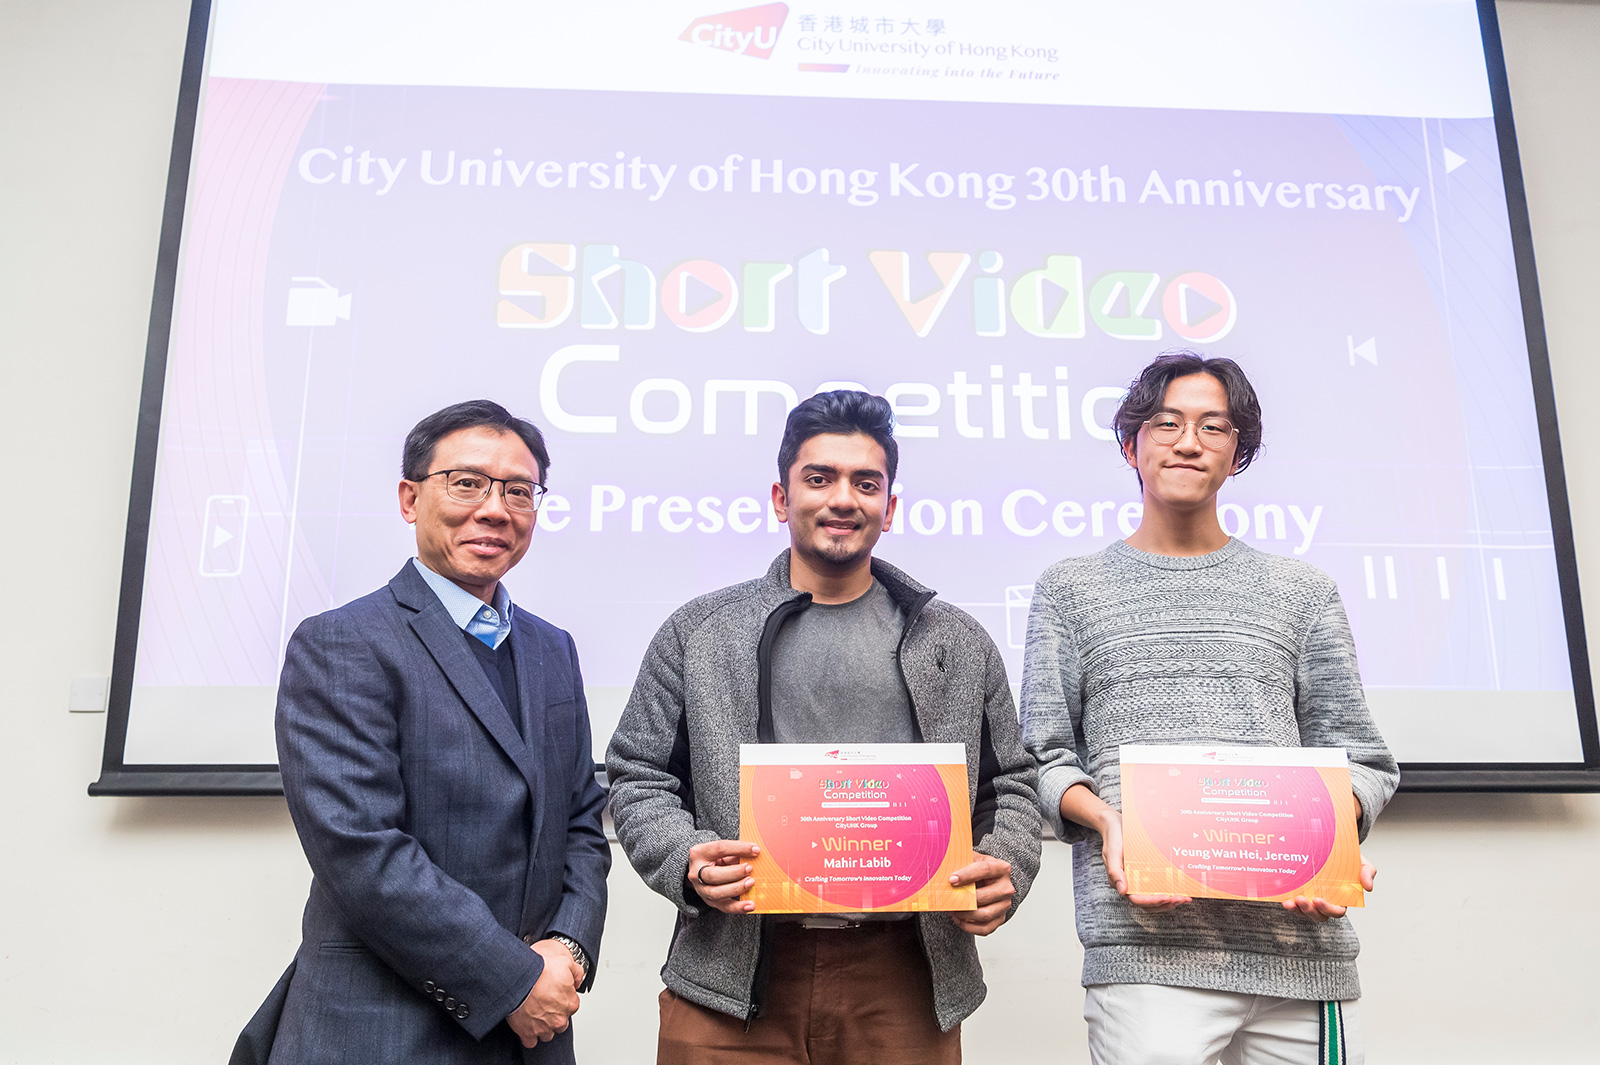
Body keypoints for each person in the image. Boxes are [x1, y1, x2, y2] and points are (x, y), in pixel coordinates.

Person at [605, 390, 1041, 1065]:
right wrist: (685, 858)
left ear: (889, 507)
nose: (843, 499)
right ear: (782, 499)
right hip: (730, 976)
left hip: (903, 975)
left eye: (866, 483)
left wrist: (1004, 864)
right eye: (819, 478)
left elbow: (1010, 782)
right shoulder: (700, 633)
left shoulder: (956, 641)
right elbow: (638, 774)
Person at [1020, 351, 1399, 1065]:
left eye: (1213, 426)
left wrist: (1331, 838)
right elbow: (1042, 755)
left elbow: (1364, 760)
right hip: (1145, 950)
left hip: (1297, 948)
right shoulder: (1071, 589)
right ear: (1131, 445)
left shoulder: (1302, 592)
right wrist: (1109, 821)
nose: (1188, 442)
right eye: (1166, 423)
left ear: (1237, 453)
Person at [232, 400, 610, 1065]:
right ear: (410, 499)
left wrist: (568, 948)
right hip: (382, 1030)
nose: (495, 509)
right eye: (467, 483)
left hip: (533, 1036)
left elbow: (580, 819)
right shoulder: (341, 643)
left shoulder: (553, 649)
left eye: (518, 491)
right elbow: (362, 849)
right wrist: (513, 980)